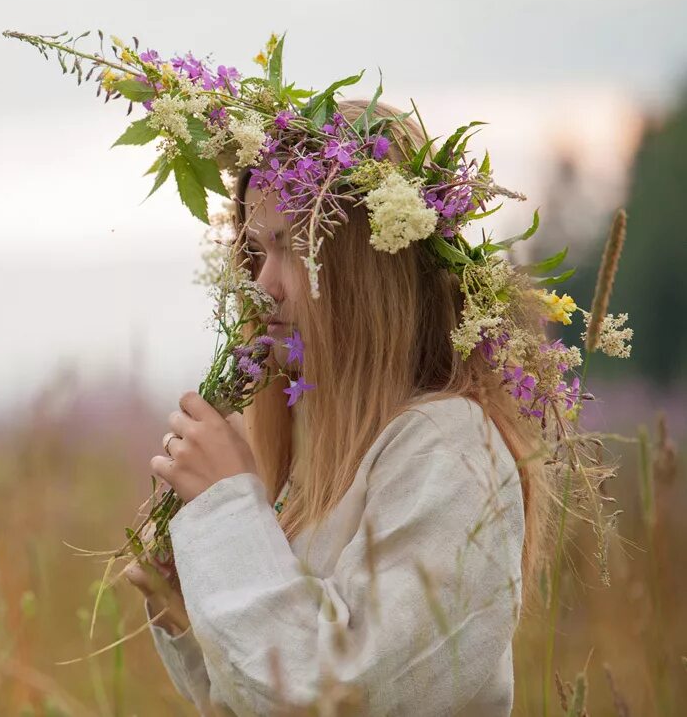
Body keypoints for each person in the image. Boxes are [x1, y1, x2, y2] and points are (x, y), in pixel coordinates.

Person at [123, 99, 551, 716]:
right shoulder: (319, 457)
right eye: (256, 251)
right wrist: (195, 615)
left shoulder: (452, 451)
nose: (264, 283)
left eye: (292, 246)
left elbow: (345, 693)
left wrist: (225, 514)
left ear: (366, 269)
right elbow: (266, 699)